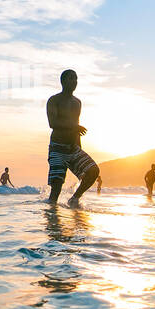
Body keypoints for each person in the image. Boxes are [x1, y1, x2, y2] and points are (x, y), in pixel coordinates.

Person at [46, 69, 99, 208]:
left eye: (76, 79)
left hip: (73, 148)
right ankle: (52, 218)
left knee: (93, 171)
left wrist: (79, 151)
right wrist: (74, 127)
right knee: (56, 189)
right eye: (71, 79)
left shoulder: (77, 103)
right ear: (63, 81)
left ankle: (74, 199)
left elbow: (76, 126)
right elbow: (53, 123)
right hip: (57, 148)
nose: (74, 82)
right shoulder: (54, 100)